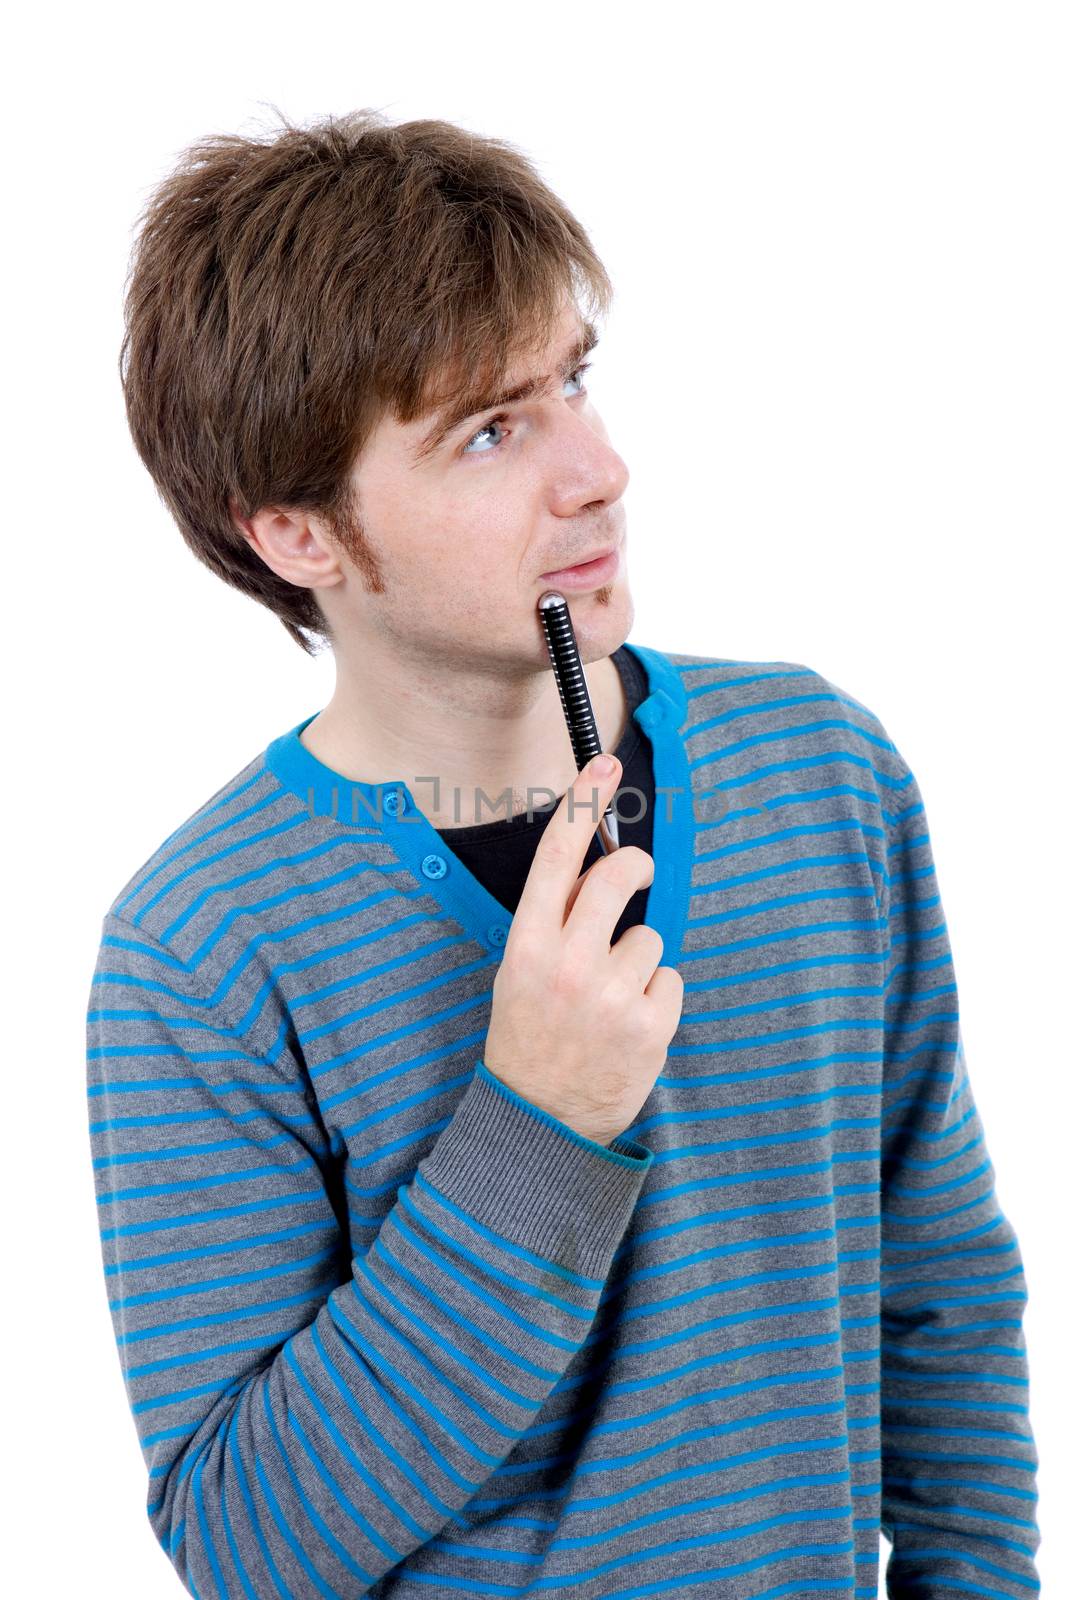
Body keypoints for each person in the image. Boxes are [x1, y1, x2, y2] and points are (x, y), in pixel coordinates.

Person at [87, 107, 1041, 1598]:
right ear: (297, 537)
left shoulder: (822, 769)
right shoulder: (203, 950)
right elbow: (244, 1543)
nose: (599, 470)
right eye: (490, 429)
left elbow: (944, 1294)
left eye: (573, 383)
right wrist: (533, 1134)